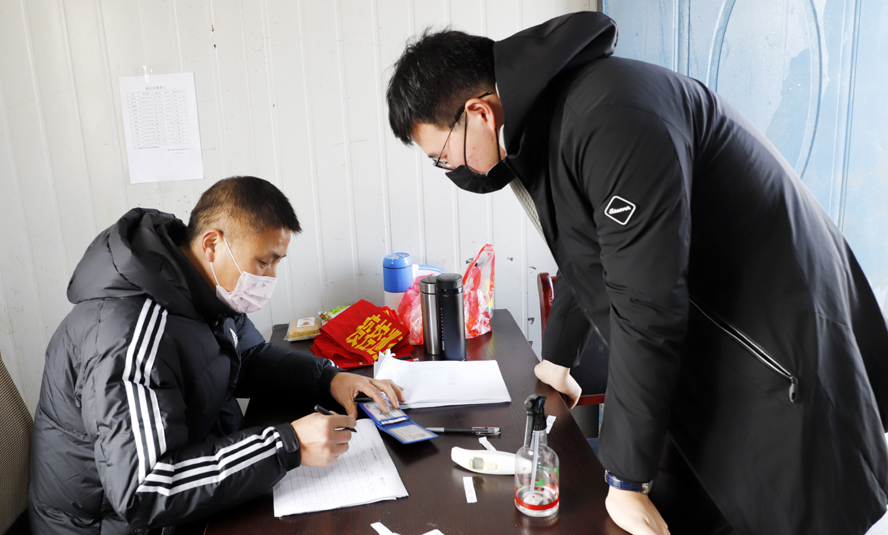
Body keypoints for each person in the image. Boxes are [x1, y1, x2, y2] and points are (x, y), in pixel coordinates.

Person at [386, 11, 888, 535]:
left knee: (780, 506)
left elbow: (646, 303)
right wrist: (559, 357)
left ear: (480, 113)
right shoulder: (555, 120)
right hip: (711, 349)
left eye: (444, 156)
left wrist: (626, 477)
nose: (453, 170)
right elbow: (591, 251)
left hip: (777, 353)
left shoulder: (609, 115)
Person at [28, 176, 404, 534]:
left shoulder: (199, 287)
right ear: (212, 245)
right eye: (263, 262)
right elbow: (144, 490)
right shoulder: (126, 335)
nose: (270, 278)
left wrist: (328, 378)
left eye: (277, 262)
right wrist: (287, 445)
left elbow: (249, 356)